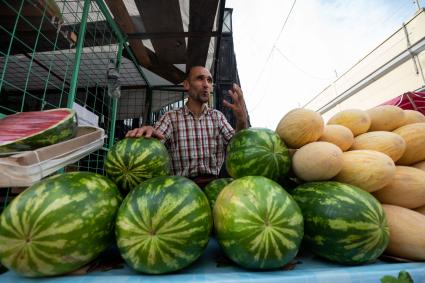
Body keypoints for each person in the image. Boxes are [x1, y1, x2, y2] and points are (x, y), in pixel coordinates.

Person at [126, 66, 248, 188]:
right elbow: (155, 143)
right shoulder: (171, 117)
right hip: (180, 188)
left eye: (209, 80)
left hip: (212, 186)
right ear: (186, 85)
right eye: (200, 79)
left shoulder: (217, 117)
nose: (206, 85)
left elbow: (237, 146)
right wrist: (148, 134)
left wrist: (242, 120)